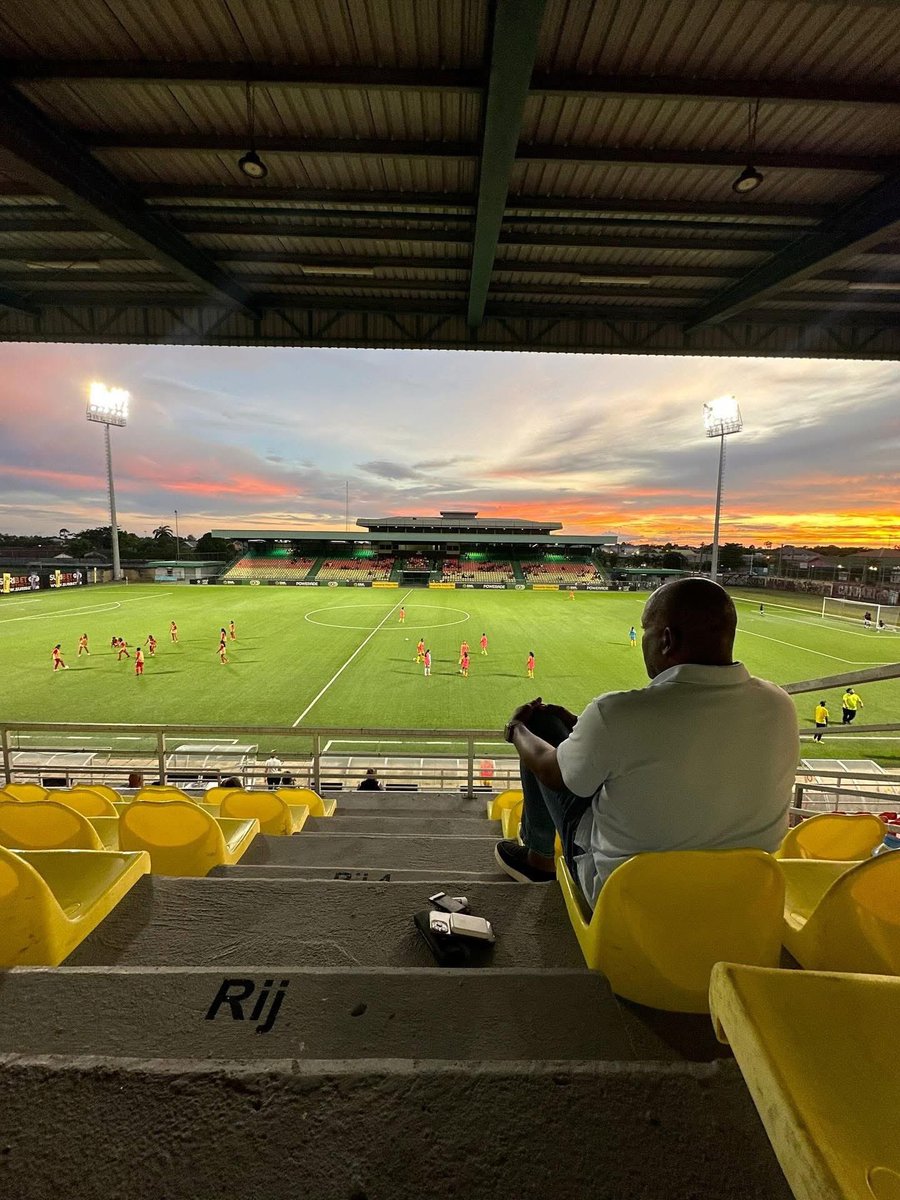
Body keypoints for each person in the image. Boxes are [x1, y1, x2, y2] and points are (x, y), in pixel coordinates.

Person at [495, 578, 799, 906]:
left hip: (628, 896)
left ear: (666, 639)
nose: (643, 641)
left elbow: (551, 771)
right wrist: (586, 728)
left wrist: (517, 729)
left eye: (645, 631)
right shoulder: (780, 705)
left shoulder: (619, 711)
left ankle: (539, 858)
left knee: (542, 725)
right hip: (742, 893)